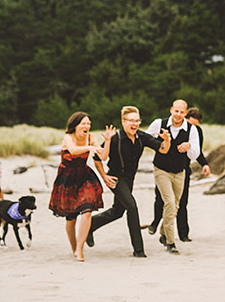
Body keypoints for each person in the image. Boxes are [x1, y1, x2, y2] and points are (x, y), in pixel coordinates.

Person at [88, 106, 170, 258]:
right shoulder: (115, 138)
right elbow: (97, 158)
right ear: (123, 121)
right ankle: (139, 250)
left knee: (117, 212)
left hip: (130, 179)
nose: (135, 124)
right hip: (116, 178)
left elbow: (163, 149)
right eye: (131, 120)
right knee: (132, 207)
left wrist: (166, 140)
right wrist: (104, 176)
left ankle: (91, 225)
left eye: (137, 120)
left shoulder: (141, 137)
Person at [145, 99, 203, 254]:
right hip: (161, 170)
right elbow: (145, 139)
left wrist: (189, 146)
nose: (178, 114)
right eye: (176, 111)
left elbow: (195, 153)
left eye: (182, 112)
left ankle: (163, 233)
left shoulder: (191, 129)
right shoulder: (159, 123)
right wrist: (159, 143)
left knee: (175, 206)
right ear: (171, 110)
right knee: (169, 202)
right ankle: (170, 242)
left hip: (180, 172)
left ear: (185, 113)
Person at [48, 112, 105, 262]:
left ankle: (80, 249)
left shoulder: (91, 138)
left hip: (84, 176)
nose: (87, 126)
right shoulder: (68, 137)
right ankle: (74, 248)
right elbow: (73, 150)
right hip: (67, 178)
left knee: (87, 211)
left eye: (89, 123)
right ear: (75, 125)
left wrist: (108, 141)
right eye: (83, 123)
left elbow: (103, 156)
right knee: (71, 218)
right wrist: (89, 148)